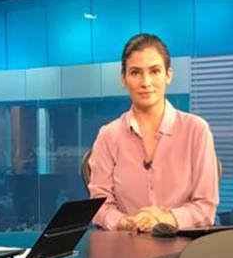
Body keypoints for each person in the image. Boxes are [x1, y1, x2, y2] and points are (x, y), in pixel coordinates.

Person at [87, 34, 219, 233]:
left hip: (183, 252)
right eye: (135, 72)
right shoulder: (108, 136)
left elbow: (205, 206)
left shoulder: (196, 131)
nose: (146, 82)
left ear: (168, 75)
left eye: (155, 71)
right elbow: (99, 207)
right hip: (126, 248)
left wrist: (166, 219)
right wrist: (129, 222)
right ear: (123, 78)